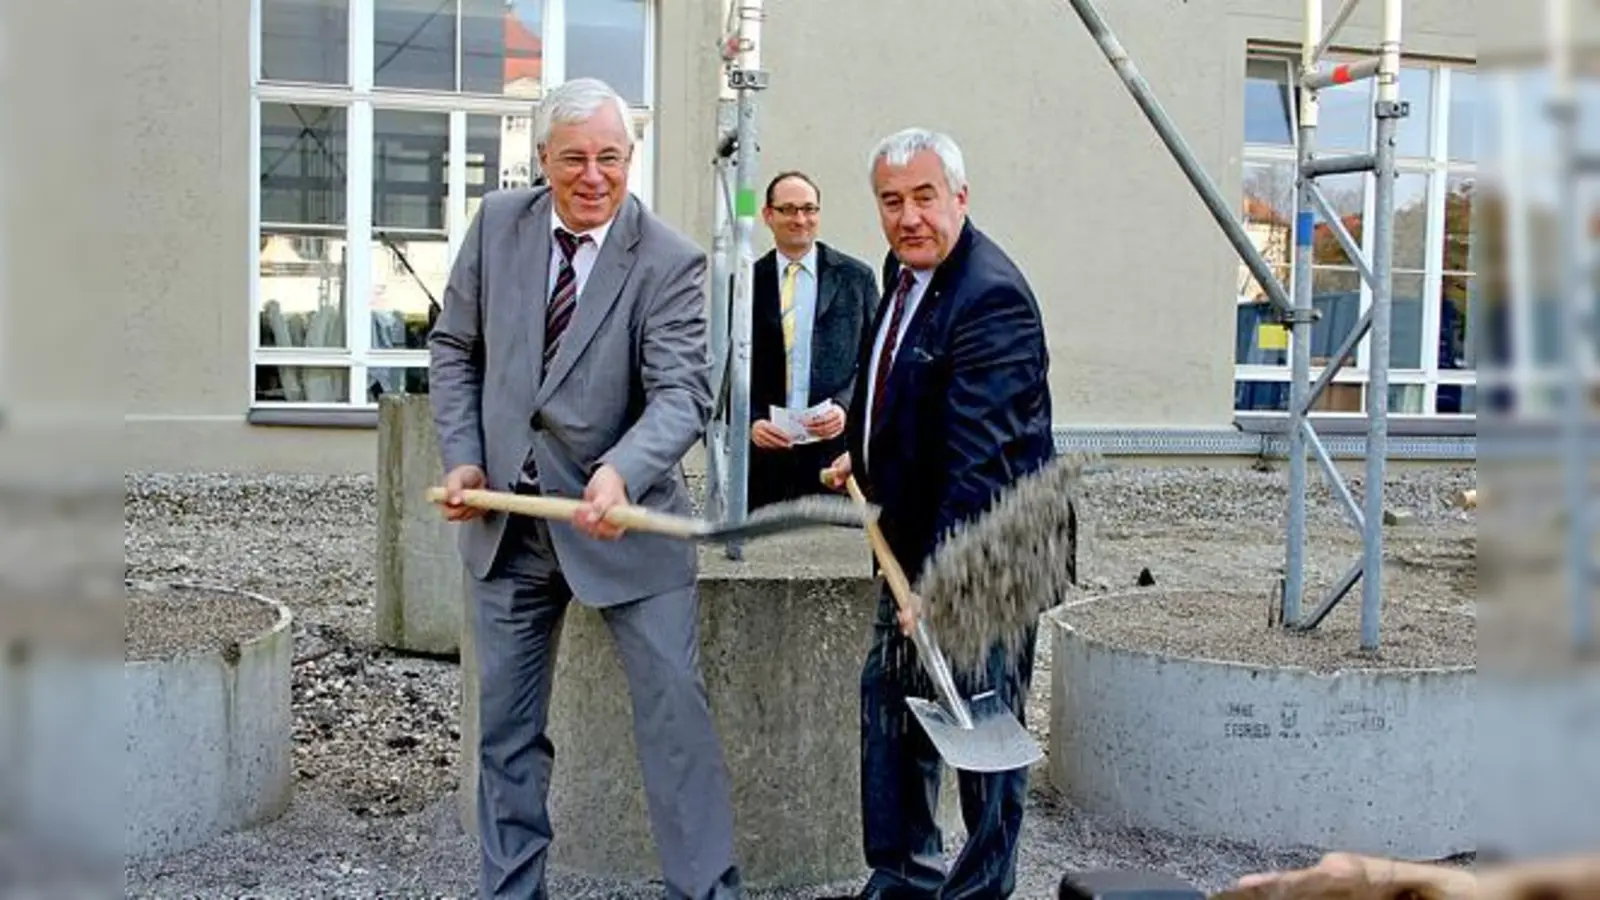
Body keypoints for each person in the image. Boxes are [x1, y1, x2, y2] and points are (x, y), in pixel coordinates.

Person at [428, 76, 744, 900]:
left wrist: (621, 471)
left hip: (625, 525)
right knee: (505, 736)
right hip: (510, 524)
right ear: (542, 160)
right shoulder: (498, 226)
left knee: (676, 728)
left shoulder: (670, 261)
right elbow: (455, 347)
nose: (593, 175)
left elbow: (683, 393)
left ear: (630, 158)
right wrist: (463, 455)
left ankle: (707, 892)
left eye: (610, 156)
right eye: (574, 158)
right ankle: (512, 891)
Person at [821, 128, 1056, 899]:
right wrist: (861, 449)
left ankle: (983, 888)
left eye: (926, 197)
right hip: (909, 549)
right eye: (892, 201)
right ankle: (904, 873)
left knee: (979, 728)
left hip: (985, 555)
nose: (908, 215)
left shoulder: (990, 295)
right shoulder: (903, 272)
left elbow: (983, 460)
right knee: (890, 712)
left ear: (960, 196)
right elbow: (899, 380)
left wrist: (945, 584)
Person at [746, 170, 879, 510]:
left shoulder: (855, 279)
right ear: (768, 215)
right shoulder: (746, 283)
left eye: (809, 209)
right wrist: (751, 421)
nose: (800, 219)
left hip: (835, 456)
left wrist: (845, 407)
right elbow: (728, 366)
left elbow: (878, 359)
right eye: (788, 209)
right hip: (768, 459)